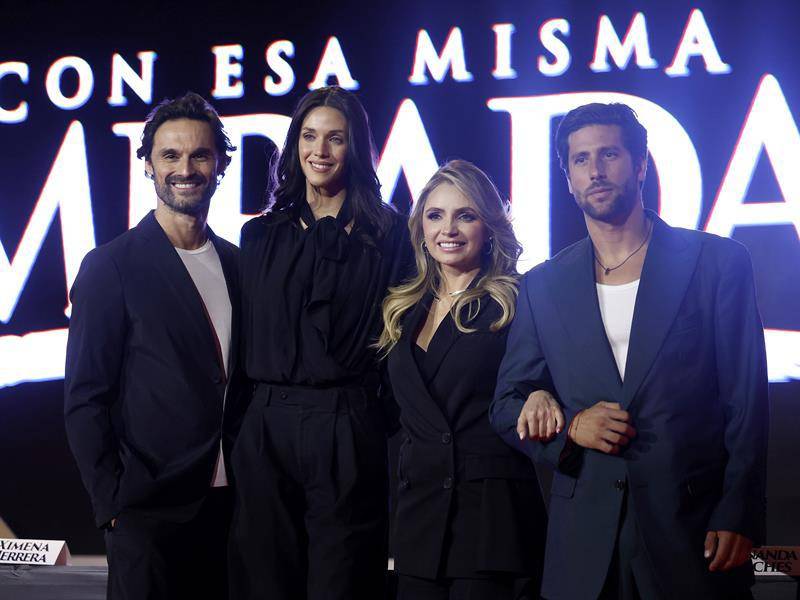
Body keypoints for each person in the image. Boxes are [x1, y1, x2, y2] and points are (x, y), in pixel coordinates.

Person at [490, 103, 768, 600]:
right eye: (580, 160)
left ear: (640, 165)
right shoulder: (541, 285)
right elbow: (505, 405)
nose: (595, 171)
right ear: (568, 178)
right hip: (584, 541)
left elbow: (745, 402)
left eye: (609, 154)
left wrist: (738, 511)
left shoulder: (717, 263)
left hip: (692, 530)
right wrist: (570, 427)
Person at [228, 86, 414, 600]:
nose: (320, 151)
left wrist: (372, 419)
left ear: (355, 147)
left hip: (346, 424)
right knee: (265, 581)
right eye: (309, 136)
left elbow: (402, 335)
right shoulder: (260, 236)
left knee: (344, 581)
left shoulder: (390, 234)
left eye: (336, 138)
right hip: (265, 427)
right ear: (294, 145)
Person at [65, 92, 247, 600]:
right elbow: (84, 398)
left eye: (199, 155)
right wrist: (114, 504)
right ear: (148, 164)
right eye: (170, 155)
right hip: (147, 512)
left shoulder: (239, 265)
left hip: (232, 511)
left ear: (220, 164)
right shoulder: (112, 267)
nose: (184, 169)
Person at [377, 159, 558, 599]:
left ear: (489, 225)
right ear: (420, 226)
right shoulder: (401, 307)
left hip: (490, 522)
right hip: (420, 521)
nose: (449, 229)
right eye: (436, 215)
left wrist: (541, 392)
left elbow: (551, 372)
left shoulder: (518, 298)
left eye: (466, 215)